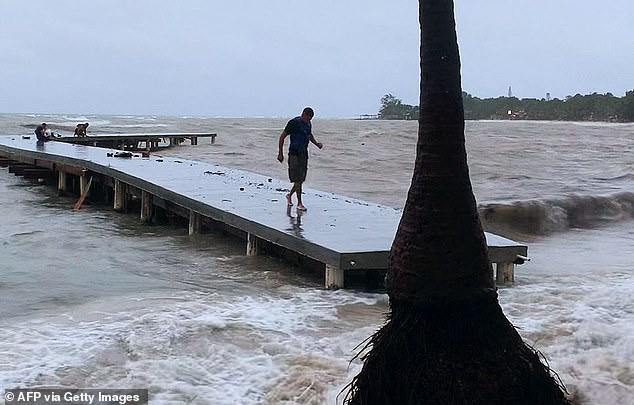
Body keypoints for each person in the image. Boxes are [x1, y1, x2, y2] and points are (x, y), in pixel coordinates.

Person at [277, 107, 323, 211]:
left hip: (303, 154)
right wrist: (280, 153)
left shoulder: (308, 124)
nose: (309, 120)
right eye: (308, 118)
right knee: (297, 180)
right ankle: (299, 203)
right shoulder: (294, 123)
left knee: (301, 180)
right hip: (294, 153)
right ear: (303, 114)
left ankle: (289, 196)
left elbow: (309, 135)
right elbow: (282, 137)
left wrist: (316, 144)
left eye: (311, 119)